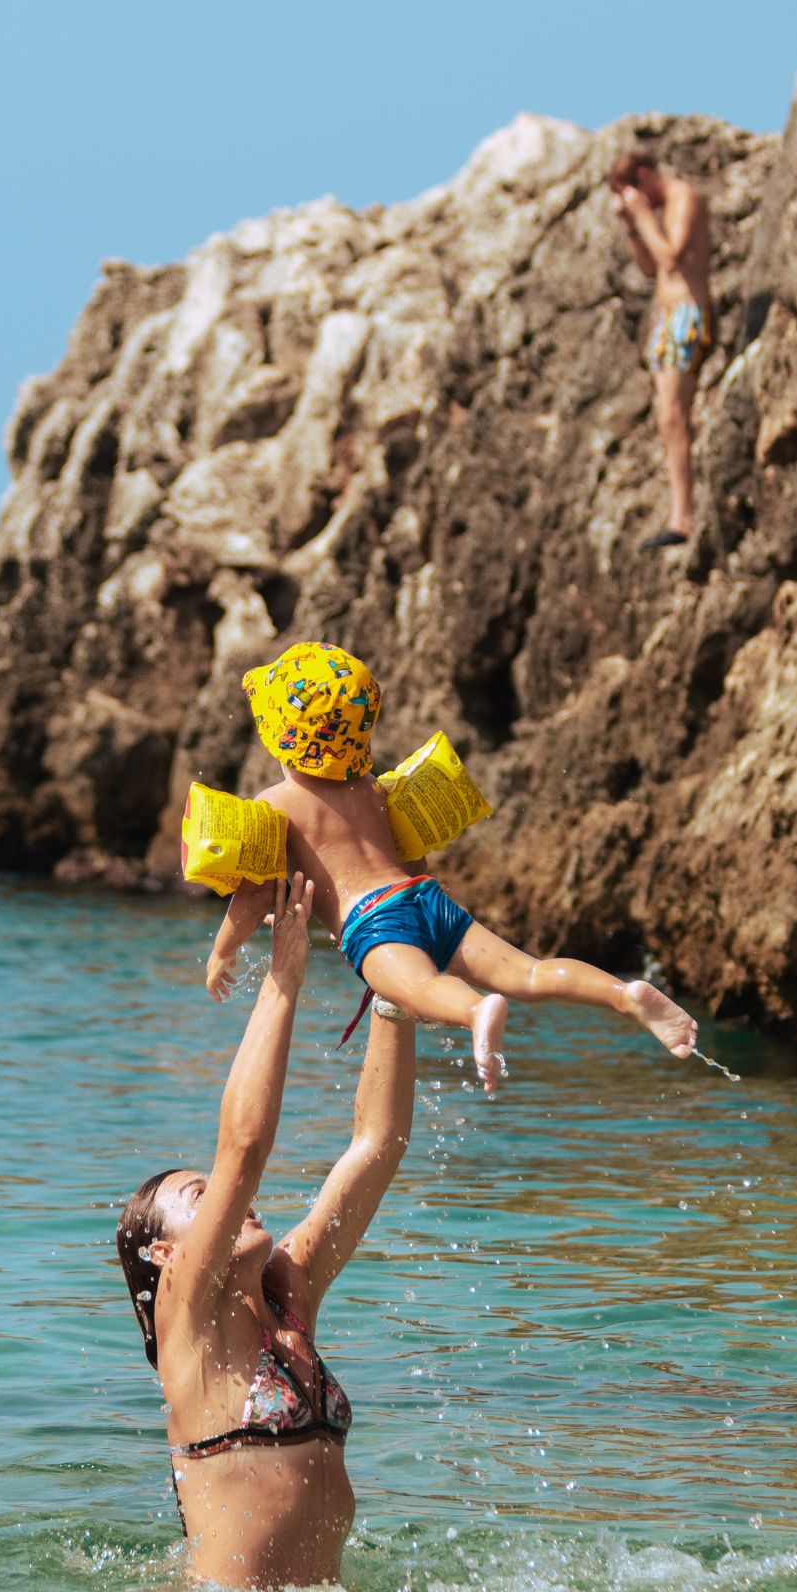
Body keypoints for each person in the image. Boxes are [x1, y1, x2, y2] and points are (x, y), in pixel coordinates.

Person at [205, 643, 698, 1092]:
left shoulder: (277, 804)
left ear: (278, 736)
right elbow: (409, 857)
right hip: (423, 896)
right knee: (529, 972)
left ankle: (476, 1010)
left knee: (420, 993)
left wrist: (222, 952)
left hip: (373, 921)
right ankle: (624, 994)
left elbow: (252, 895)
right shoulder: (374, 789)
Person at [118, 870, 416, 1590]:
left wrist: (394, 992)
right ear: (166, 1252)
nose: (229, 1199)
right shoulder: (183, 1315)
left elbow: (378, 1144)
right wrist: (283, 978)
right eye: (201, 1196)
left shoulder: (292, 1292)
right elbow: (244, 1151)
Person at [608, 151, 713, 551]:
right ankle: (679, 512)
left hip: (686, 312)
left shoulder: (684, 197)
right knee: (667, 419)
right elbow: (649, 269)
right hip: (665, 318)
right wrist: (632, 227)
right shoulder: (658, 210)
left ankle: (682, 518)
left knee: (674, 415)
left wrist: (643, 217)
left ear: (645, 176)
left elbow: (670, 257)